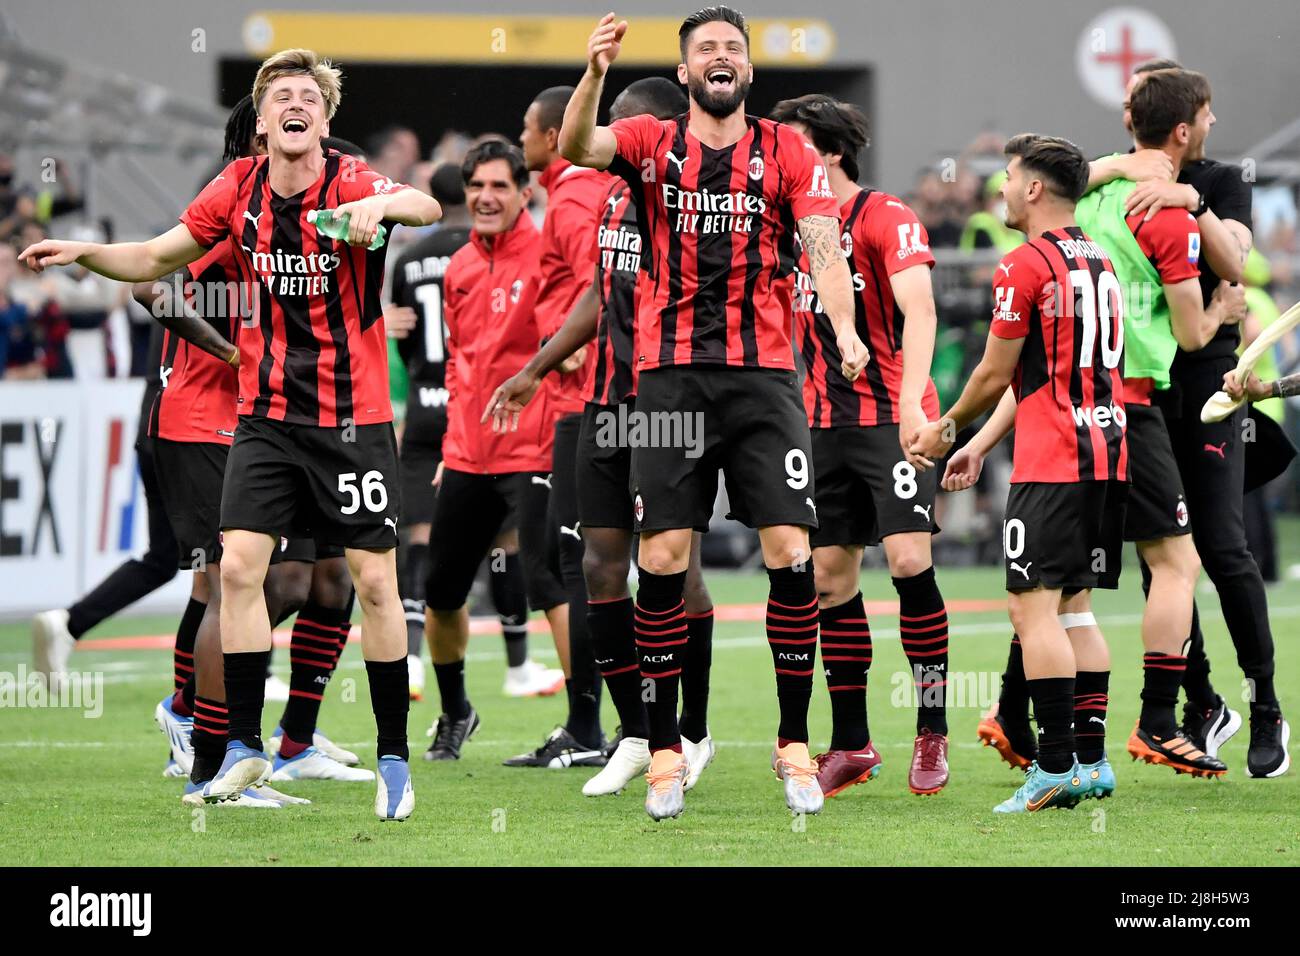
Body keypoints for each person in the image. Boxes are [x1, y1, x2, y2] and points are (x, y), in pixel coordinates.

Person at [20, 47, 442, 821]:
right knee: (239, 570)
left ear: (324, 116)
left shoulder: (351, 181)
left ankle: (393, 759)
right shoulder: (237, 189)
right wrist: (86, 252)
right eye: (281, 93)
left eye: (308, 95)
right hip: (266, 419)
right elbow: (155, 256)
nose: (296, 103)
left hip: (353, 420)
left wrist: (382, 210)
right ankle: (244, 746)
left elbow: (425, 207)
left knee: (372, 584)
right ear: (263, 114)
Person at [554, 7, 868, 820]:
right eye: (705, 51)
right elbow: (574, 147)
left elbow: (825, 251)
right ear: (687, 72)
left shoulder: (789, 151)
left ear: (749, 72)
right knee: (659, 557)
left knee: (791, 547)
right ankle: (663, 752)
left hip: (765, 379)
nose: (720, 58)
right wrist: (593, 75)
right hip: (669, 382)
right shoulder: (651, 141)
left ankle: (794, 743)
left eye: (733, 47)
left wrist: (846, 331)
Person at [486, 76, 717, 796]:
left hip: (666, 403)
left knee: (673, 571)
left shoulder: (688, 204)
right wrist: (535, 368)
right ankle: (639, 732)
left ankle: (693, 731)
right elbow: (597, 290)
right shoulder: (616, 197)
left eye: (619, 128)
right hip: (603, 405)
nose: (607, 142)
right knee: (596, 568)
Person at [911, 134, 1127, 813]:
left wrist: (944, 430)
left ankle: (1055, 765)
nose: (1000, 188)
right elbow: (1040, 374)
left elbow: (994, 371)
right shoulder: (1099, 260)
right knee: (1074, 609)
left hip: (1053, 463)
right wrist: (980, 443)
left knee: (1030, 610)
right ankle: (1091, 762)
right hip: (1107, 455)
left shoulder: (1023, 265)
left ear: (1034, 189)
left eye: (1007, 177)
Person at [769, 93, 953, 797]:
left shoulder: (885, 216)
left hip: (890, 417)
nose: (778, 156)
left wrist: (911, 404)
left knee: (908, 559)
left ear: (832, 152)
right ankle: (852, 742)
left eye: (793, 143)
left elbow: (922, 311)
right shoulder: (790, 226)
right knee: (827, 579)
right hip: (816, 423)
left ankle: (932, 729)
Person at [419, 140, 574, 764]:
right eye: (477, 186)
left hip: (535, 447)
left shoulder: (548, 256)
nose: (486, 197)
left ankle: (586, 724)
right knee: (441, 593)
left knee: (551, 584)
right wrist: (452, 437)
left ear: (524, 192)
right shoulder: (457, 266)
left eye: (500, 187)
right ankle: (456, 711)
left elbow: (572, 344)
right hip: (467, 452)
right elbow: (460, 363)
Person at [389, 162, 560, 701]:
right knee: (507, 545)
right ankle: (519, 666)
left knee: (420, 538)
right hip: (484, 410)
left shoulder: (410, 258)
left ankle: (412, 660)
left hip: (425, 405)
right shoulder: (484, 254)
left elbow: (405, 342)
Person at [502, 83, 612, 768]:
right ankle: (615, 726)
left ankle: (599, 726)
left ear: (549, 136)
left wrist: (553, 359)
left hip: (586, 400)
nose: (522, 141)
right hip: (590, 397)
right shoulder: (582, 194)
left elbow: (593, 288)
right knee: (570, 560)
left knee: (568, 561)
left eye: (525, 129)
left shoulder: (575, 198)